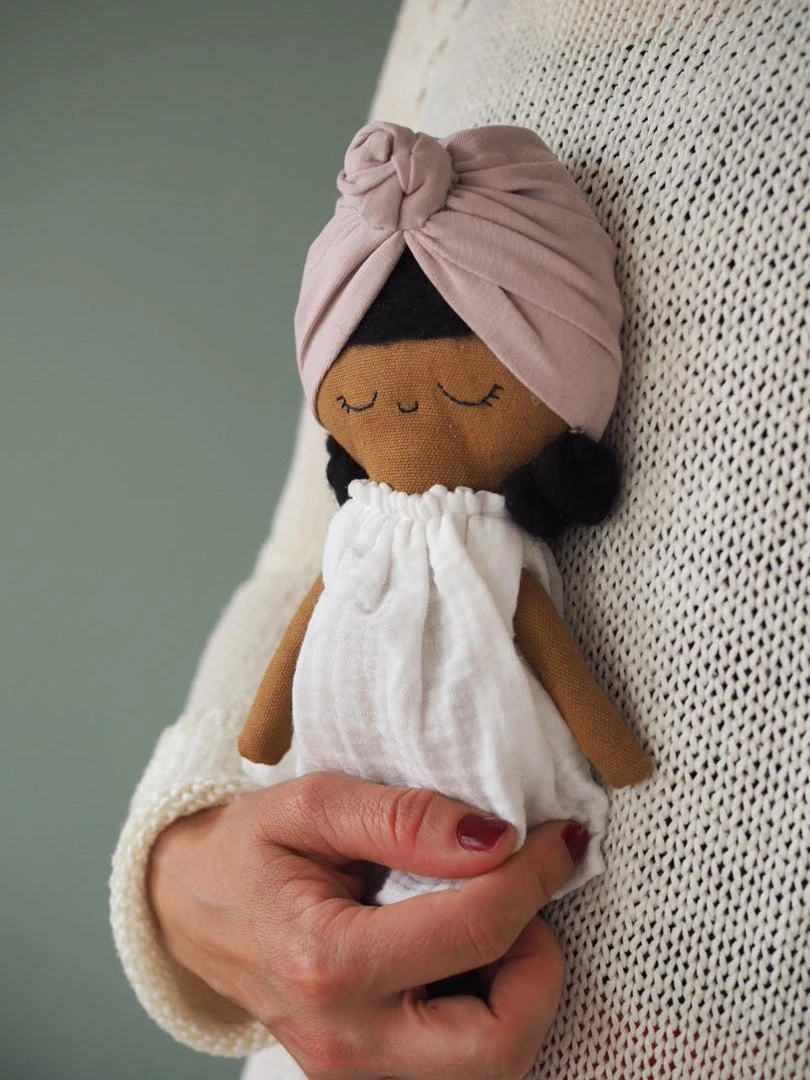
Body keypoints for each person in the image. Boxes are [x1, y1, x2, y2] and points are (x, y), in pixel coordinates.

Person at [110, 2, 810, 1078]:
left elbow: (546, 646)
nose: (405, 412)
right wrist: (187, 846)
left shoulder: (493, 555)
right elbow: (302, 569)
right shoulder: (453, 13)